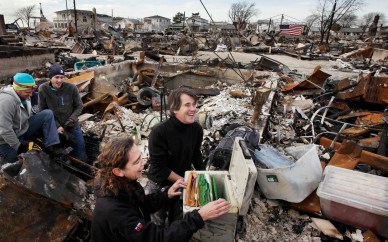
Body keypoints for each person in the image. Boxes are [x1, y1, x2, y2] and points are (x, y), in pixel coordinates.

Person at [91, 137, 230, 242]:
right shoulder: (114, 211)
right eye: (136, 162)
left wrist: (166, 194)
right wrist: (199, 217)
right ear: (118, 171)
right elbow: (157, 238)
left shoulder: (124, 182)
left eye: (141, 157)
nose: (143, 163)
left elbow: (142, 204)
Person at [147, 87, 204, 226]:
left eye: (194, 104)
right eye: (187, 105)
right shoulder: (159, 132)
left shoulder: (196, 129)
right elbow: (160, 168)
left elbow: (196, 155)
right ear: (175, 109)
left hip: (181, 181)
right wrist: (187, 182)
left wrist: (203, 175)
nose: (193, 109)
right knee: (157, 221)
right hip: (159, 183)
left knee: (176, 218)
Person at [0, 73, 65, 163]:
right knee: (23, 164)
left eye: (31, 91)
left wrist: (41, 132)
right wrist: (20, 147)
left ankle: (52, 147)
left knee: (47, 114)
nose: (31, 95)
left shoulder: (24, 95)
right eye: (27, 92)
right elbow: (4, 129)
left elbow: (30, 116)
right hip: (5, 142)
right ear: (18, 89)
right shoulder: (6, 101)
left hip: (22, 131)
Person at [38, 64, 88, 162]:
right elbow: (42, 109)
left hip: (72, 125)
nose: (59, 80)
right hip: (55, 129)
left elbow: (79, 106)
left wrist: (72, 119)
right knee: (60, 153)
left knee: (80, 150)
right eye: (56, 77)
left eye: (62, 77)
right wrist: (56, 126)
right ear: (50, 78)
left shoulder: (71, 88)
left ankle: (83, 171)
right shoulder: (43, 89)